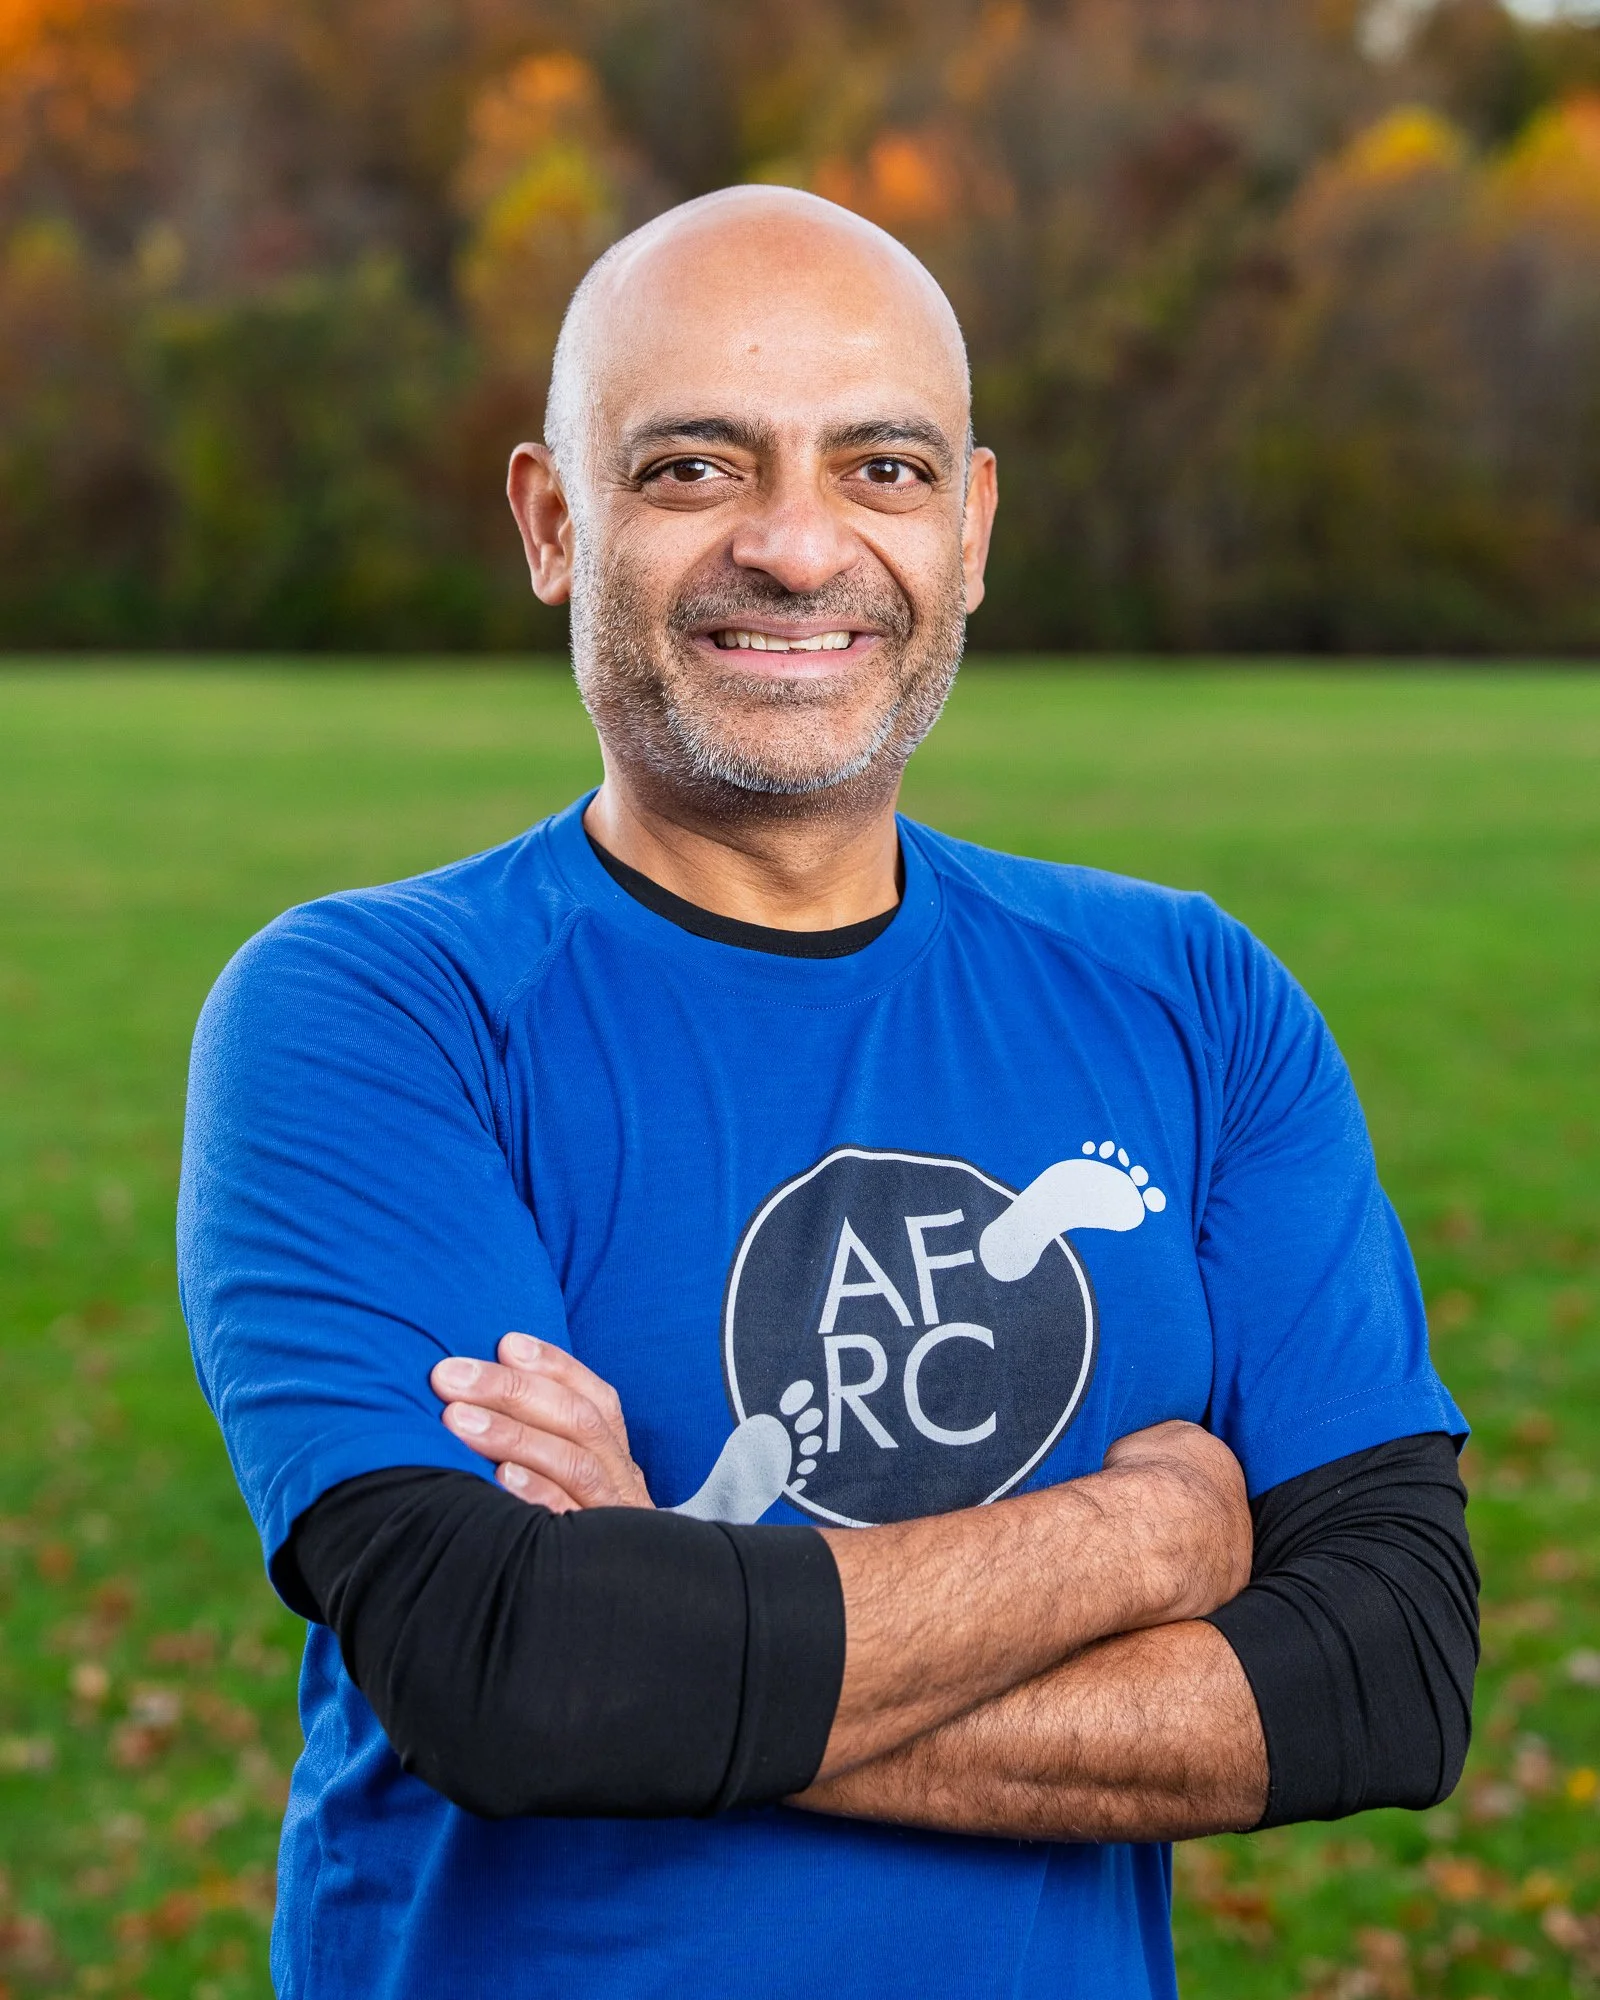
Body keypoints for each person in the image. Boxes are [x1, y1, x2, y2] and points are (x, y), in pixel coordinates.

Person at [178, 187, 1477, 2000]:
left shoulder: (1194, 998)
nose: (799, 549)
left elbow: (1387, 1677)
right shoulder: (376, 1011)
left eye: (882, 467)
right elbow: (515, 1675)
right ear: (556, 524)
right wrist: (1150, 1538)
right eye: (697, 467)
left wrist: (676, 1603)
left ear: (972, 526)